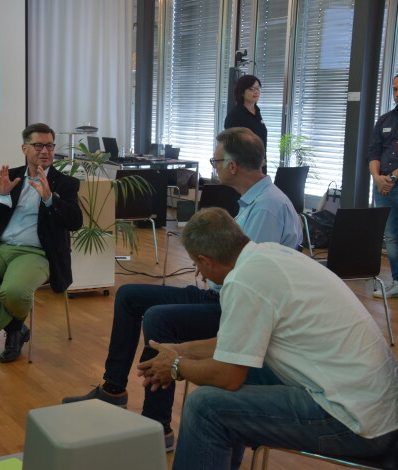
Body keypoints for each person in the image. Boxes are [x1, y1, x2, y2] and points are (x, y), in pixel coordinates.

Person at [62, 127, 302, 450]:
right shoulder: (257, 200)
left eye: (216, 161)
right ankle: (113, 389)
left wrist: (213, 268)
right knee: (130, 296)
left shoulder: (267, 208)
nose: (214, 166)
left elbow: (249, 280)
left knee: (160, 319)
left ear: (232, 166)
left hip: (238, 309)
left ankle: (156, 427)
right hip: (222, 296)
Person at [137, 207, 398, 469]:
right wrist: (180, 350)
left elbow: (228, 376)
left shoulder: (243, 281)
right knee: (239, 373)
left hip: (353, 423)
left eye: (196, 265)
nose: (200, 274)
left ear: (207, 261)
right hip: (376, 408)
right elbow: (234, 346)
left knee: (205, 407)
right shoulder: (270, 255)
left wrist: (175, 366)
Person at [0, 123, 83, 363]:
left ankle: (13, 332)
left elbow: (75, 222)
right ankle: (15, 329)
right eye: (38, 146)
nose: (45, 151)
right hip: (1, 248)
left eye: (50, 146)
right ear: (24, 148)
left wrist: (50, 199)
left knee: (14, 292)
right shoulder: (11, 176)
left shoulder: (65, 183)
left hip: (37, 253)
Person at [368, 72, 398, 298]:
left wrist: (393, 178)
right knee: (391, 236)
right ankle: (397, 282)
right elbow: (373, 152)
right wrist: (377, 177)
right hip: (383, 186)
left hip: (393, 182)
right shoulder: (385, 120)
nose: (397, 94)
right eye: (395, 89)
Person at [225, 74, 267, 173]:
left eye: (258, 88)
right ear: (242, 92)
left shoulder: (257, 111)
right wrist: (253, 163)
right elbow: (232, 145)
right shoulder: (235, 114)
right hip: (244, 169)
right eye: (252, 89)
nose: (256, 92)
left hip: (260, 166)